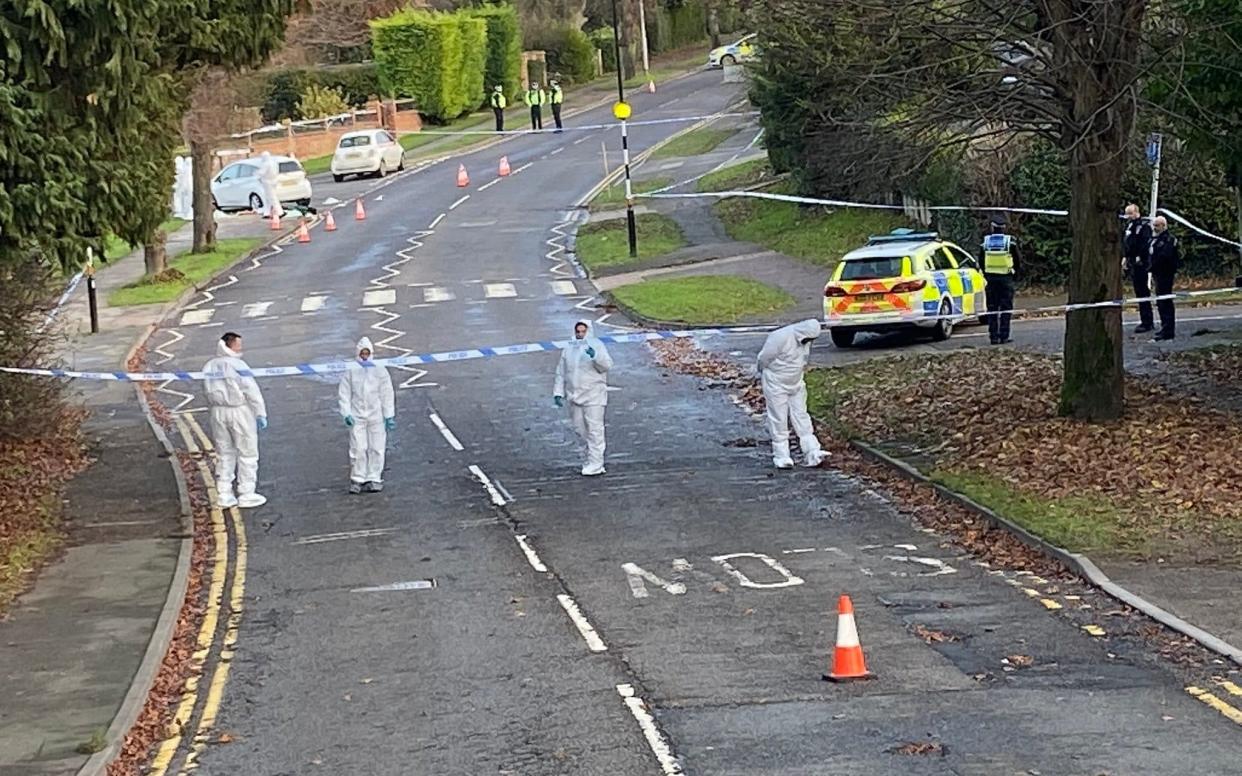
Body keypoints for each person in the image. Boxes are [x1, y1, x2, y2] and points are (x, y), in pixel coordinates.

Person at [203, 332, 268, 509]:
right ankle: (246, 493)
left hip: (217, 412)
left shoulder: (209, 366)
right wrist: (260, 413)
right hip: (239, 411)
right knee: (247, 452)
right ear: (229, 346)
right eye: (238, 345)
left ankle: (224, 494)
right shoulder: (238, 365)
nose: (241, 348)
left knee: (224, 453)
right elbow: (251, 390)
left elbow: (206, 390)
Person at [757, 319, 828, 470]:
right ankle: (781, 455)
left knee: (801, 415)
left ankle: (812, 451)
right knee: (779, 418)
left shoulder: (804, 340)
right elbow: (763, 359)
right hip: (775, 383)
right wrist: (769, 372)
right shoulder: (779, 337)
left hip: (796, 383)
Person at [553, 321, 613, 476]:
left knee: (595, 430)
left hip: (594, 394)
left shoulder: (597, 345)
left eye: (583, 331)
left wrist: (596, 357)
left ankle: (596, 463)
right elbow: (561, 371)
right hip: (575, 395)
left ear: (589, 332)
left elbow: (606, 366)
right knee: (580, 429)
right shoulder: (569, 348)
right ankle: (590, 457)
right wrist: (558, 392)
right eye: (578, 331)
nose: (580, 334)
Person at [338, 336, 396, 494]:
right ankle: (357, 478)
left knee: (376, 447)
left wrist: (389, 415)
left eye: (367, 353)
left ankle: (374, 477)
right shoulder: (351, 371)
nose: (364, 356)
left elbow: (386, 393)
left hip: (376, 415)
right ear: (358, 353)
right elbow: (344, 393)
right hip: (357, 415)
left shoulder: (379, 370)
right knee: (358, 448)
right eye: (362, 353)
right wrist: (346, 414)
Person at [981, 215, 1019, 345]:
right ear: (1004, 228)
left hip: (991, 280)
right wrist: (1015, 275)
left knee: (992, 309)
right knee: (1006, 309)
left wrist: (986, 274)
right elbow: (1017, 261)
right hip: (1006, 279)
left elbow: (981, 261)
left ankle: (993, 337)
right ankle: (1004, 336)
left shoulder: (985, 243)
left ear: (992, 227)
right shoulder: (1010, 242)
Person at [1121, 204, 1155, 333]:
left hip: (1140, 263)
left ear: (1136, 212)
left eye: (1130, 213)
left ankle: (1147, 322)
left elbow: (1144, 244)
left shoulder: (1143, 226)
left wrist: (1140, 259)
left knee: (1142, 292)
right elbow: (1127, 243)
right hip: (1132, 262)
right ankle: (1144, 320)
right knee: (1138, 291)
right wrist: (1126, 257)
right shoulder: (1130, 226)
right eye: (1126, 213)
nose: (1127, 216)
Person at [1149, 216, 1180, 341]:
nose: (1155, 228)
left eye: (1157, 225)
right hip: (1158, 273)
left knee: (1165, 301)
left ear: (1163, 225)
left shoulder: (1169, 239)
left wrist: (1154, 265)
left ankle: (1168, 329)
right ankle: (1164, 327)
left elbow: (1165, 256)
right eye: (1154, 225)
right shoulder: (1156, 239)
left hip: (1165, 274)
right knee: (1161, 302)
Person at [257, 151, 281, 218]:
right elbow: (277, 171)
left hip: (267, 182)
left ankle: (279, 212)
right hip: (274, 181)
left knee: (272, 198)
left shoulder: (266, 164)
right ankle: (267, 212)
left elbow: (261, 173)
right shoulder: (273, 163)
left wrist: (256, 174)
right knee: (268, 198)